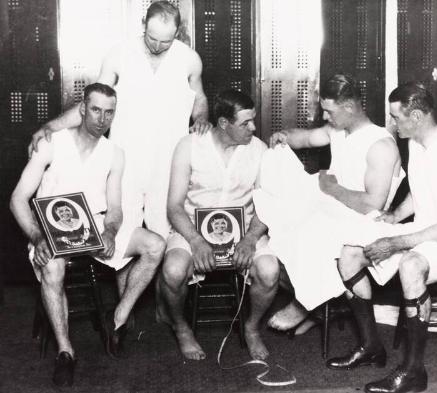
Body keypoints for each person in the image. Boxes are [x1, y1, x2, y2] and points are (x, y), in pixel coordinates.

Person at [328, 82, 437, 393]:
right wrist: (394, 218)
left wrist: (394, 242)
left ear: (416, 115)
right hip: (424, 231)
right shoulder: (416, 142)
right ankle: (371, 346)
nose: (392, 124)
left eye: (396, 118)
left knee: (411, 265)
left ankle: (414, 371)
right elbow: (420, 187)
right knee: (350, 252)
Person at [10, 83, 166, 387]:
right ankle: (66, 352)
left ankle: (116, 320)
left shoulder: (114, 154)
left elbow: (115, 208)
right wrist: (37, 235)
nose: (101, 119)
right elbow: (17, 198)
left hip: (93, 228)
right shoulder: (52, 144)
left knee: (155, 245)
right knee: (53, 268)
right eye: (95, 110)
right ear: (82, 109)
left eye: (109, 113)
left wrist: (109, 230)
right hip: (51, 231)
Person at [30, 1, 211, 240]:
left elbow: (199, 99)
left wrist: (201, 118)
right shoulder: (119, 54)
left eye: (165, 41)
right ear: (143, 24)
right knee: (122, 234)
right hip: (127, 158)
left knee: (166, 236)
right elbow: (93, 103)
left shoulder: (189, 59)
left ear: (177, 32)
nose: (157, 46)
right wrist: (50, 126)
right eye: (152, 37)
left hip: (169, 161)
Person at [259, 74, 404, 331]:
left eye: (329, 111)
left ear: (349, 107)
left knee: (306, 231)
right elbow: (304, 138)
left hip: (366, 220)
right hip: (334, 207)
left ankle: (305, 303)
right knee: (278, 221)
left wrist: (333, 189)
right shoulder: (338, 130)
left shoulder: (380, 145)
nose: (325, 117)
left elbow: (372, 204)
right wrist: (283, 136)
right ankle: (315, 302)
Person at [156, 89, 280, 361]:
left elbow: (267, 205)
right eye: (245, 123)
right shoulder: (189, 146)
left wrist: (250, 240)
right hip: (192, 230)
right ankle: (181, 328)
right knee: (173, 270)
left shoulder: (258, 150)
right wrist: (197, 241)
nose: (253, 127)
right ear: (224, 123)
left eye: (253, 120)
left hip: (244, 231)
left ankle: (251, 327)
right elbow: (174, 206)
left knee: (270, 271)